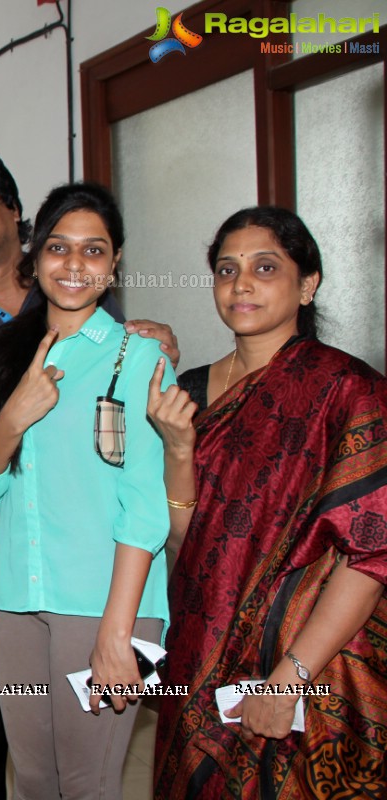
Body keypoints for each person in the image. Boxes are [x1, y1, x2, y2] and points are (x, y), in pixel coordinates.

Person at [0, 141, 180, 799]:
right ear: (38, 254)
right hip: (6, 588)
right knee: (25, 772)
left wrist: (119, 629)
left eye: (93, 250)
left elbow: (142, 499)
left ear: (114, 265)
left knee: (86, 781)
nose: (74, 264)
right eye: (60, 247)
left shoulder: (130, 352)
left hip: (100, 596)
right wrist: (7, 413)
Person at [150, 207, 387, 799]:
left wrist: (291, 679)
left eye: (265, 267)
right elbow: (184, 542)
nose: (242, 283)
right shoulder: (191, 393)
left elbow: (371, 553)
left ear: (308, 284)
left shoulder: (350, 391)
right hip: (203, 651)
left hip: (315, 664)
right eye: (226, 269)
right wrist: (179, 450)